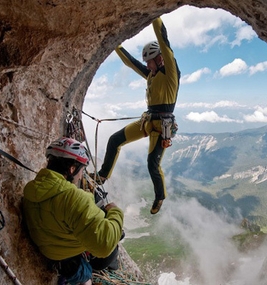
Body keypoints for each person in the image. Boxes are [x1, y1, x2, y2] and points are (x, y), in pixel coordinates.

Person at [95, 16, 181, 215]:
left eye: (150, 62)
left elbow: (164, 41)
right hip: (149, 120)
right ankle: (102, 176)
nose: (148, 66)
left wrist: (155, 15)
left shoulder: (170, 74)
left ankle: (160, 196)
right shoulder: (151, 74)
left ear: (159, 59)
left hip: (162, 126)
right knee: (115, 140)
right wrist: (114, 44)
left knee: (153, 165)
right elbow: (131, 63)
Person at [23, 137, 124, 285]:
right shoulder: (73, 198)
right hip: (64, 253)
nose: (81, 175)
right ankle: (84, 275)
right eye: (82, 169)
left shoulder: (32, 189)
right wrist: (115, 212)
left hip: (49, 246)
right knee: (113, 247)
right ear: (72, 168)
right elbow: (104, 244)